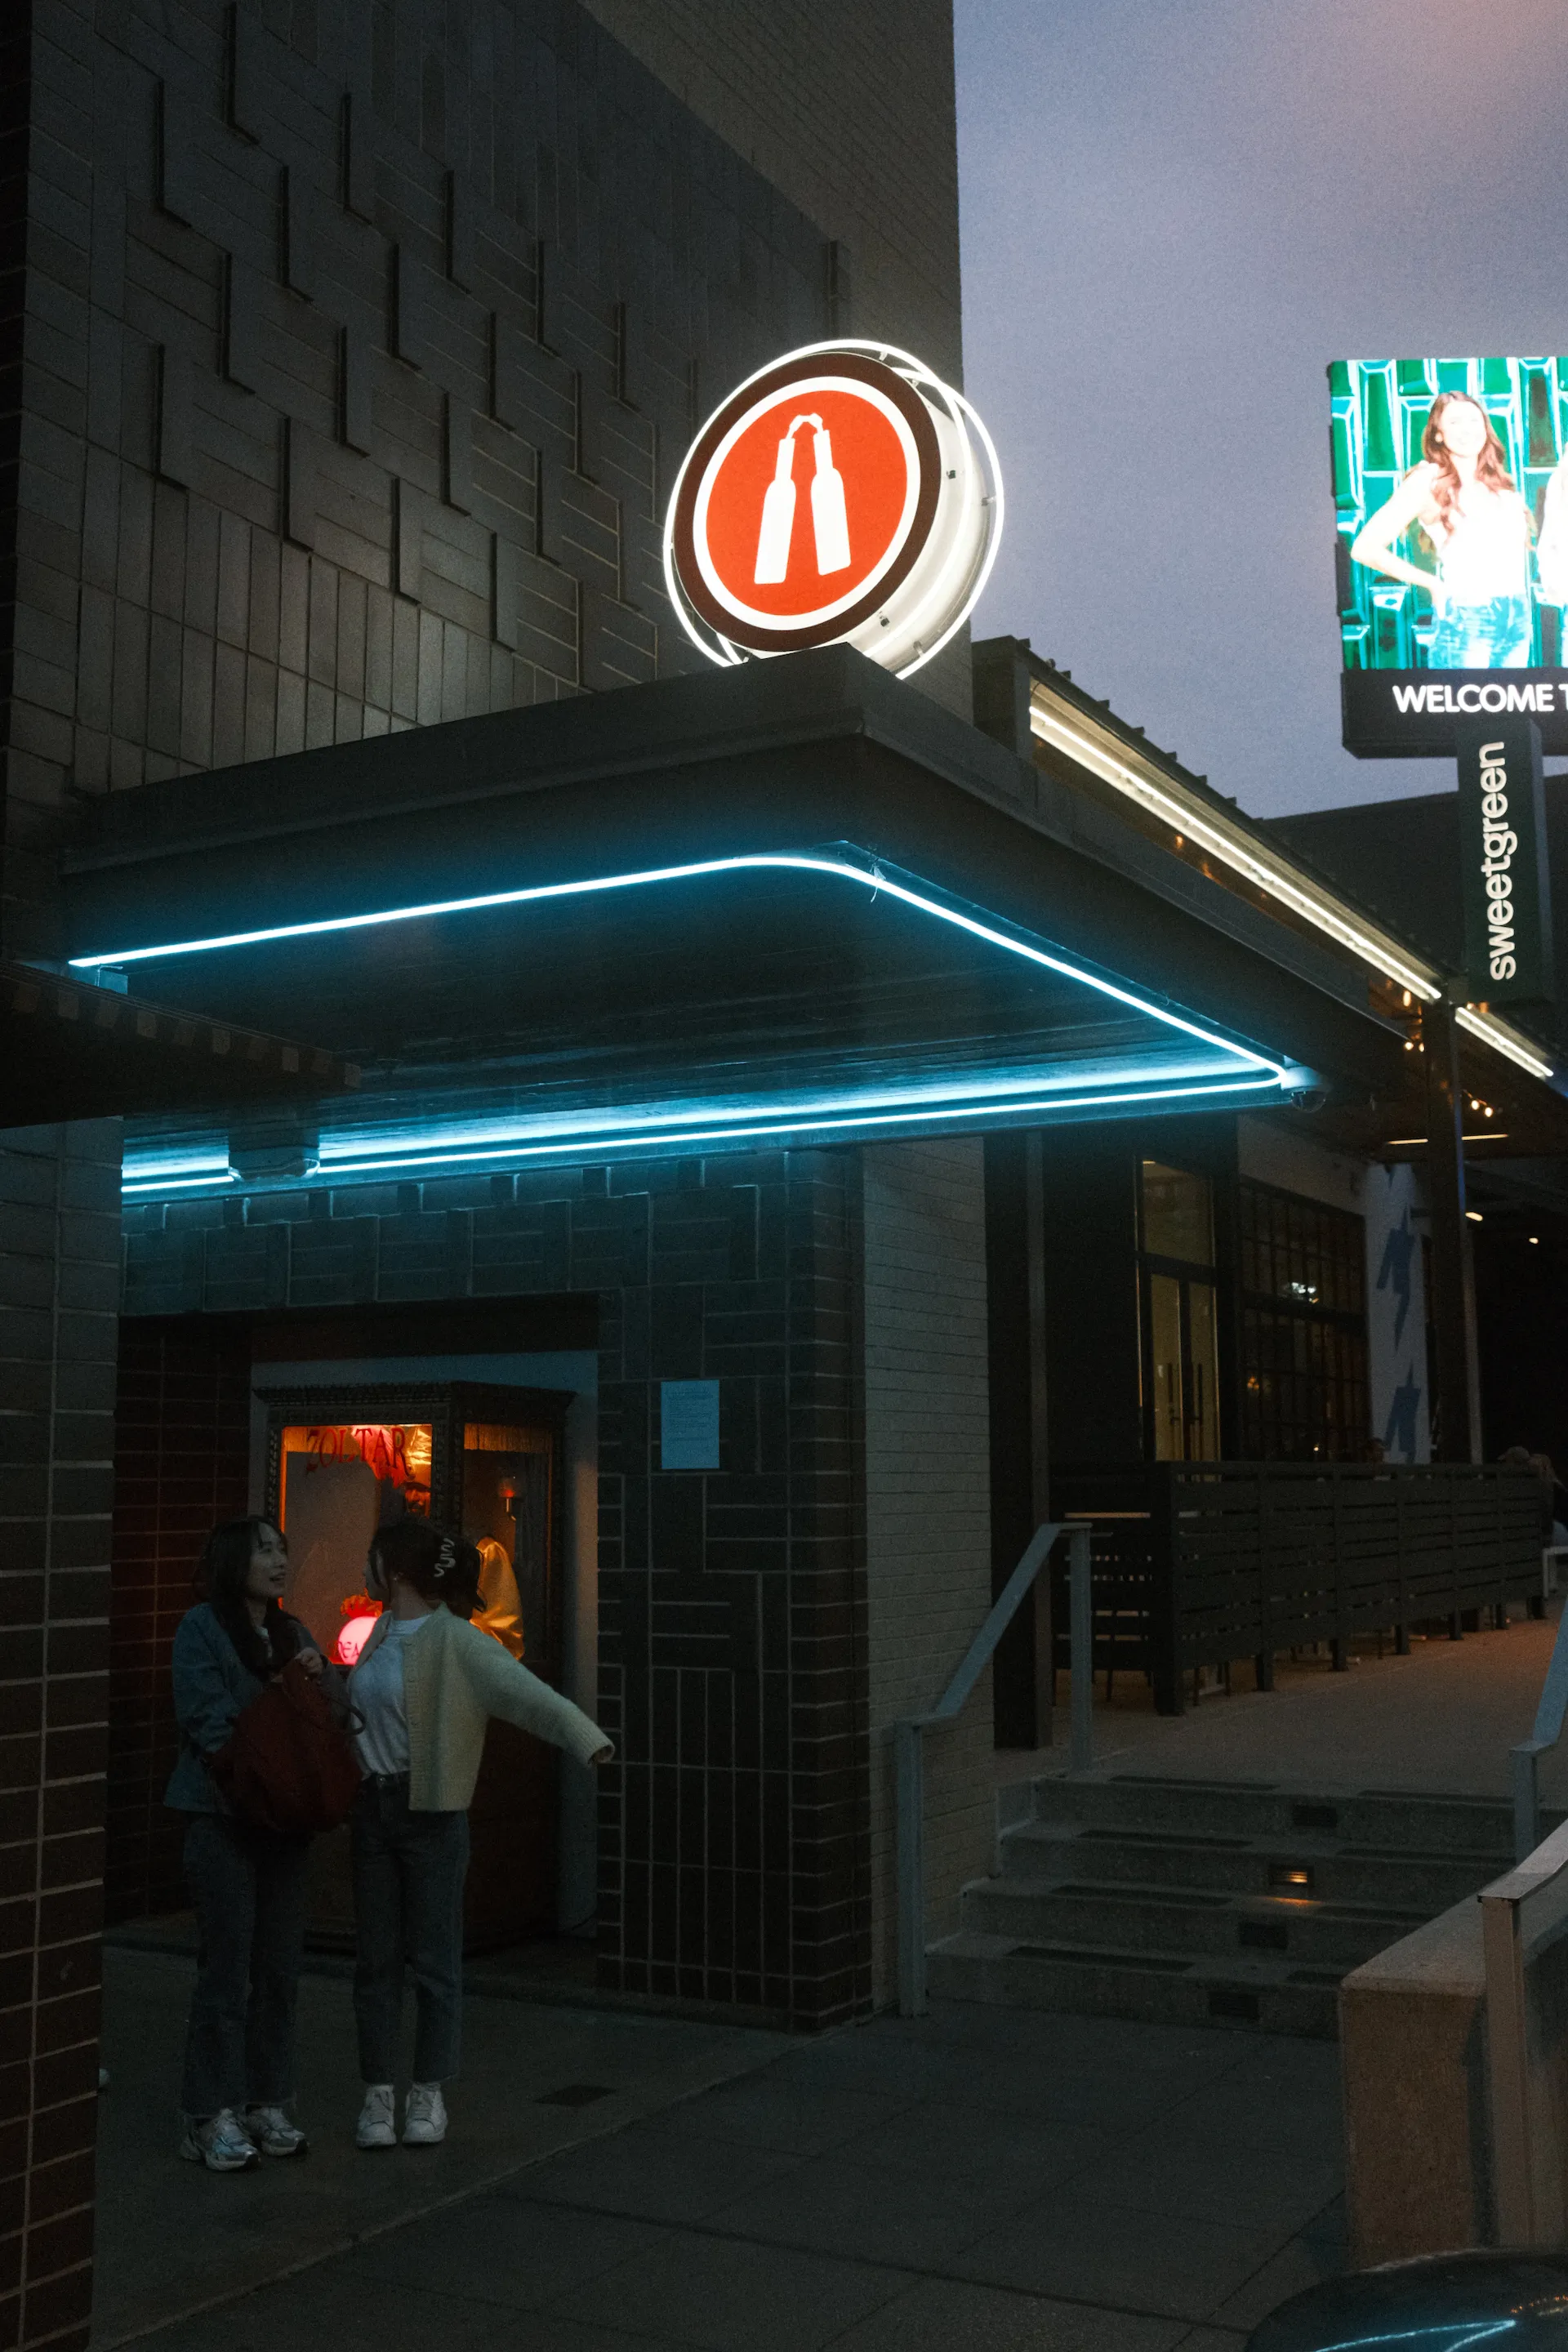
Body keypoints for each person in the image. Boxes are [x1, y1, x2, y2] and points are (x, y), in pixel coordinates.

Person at [347, 1519, 612, 2151]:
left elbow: (528, 1696)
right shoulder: (380, 1630)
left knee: (435, 1960)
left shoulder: (457, 1640)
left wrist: (588, 1742)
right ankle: (379, 2095)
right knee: (375, 1961)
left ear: (399, 1570)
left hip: (432, 1813)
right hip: (373, 1809)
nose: (366, 1568)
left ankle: (429, 2093)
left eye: (373, 1557)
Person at [167, 1517, 325, 2172]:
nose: (280, 1560)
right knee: (227, 1971)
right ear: (235, 1561)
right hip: (223, 1814)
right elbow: (207, 1717)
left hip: (286, 1820)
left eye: (283, 1549)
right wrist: (284, 1691)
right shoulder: (202, 1627)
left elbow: (325, 1715)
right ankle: (209, 2113)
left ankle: (267, 2100)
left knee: (280, 1970)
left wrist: (317, 1678)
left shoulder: (293, 1631)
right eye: (265, 1550)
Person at [1351, 392, 1534, 669]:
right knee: (1462, 710)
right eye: (1455, 422)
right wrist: (1434, 584)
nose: (1467, 430)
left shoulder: (1498, 482)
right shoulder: (1428, 481)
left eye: (1474, 420)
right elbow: (1365, 548)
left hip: (1518, 615)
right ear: (1438, 434)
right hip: (1468, 614)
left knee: (1511, 709)